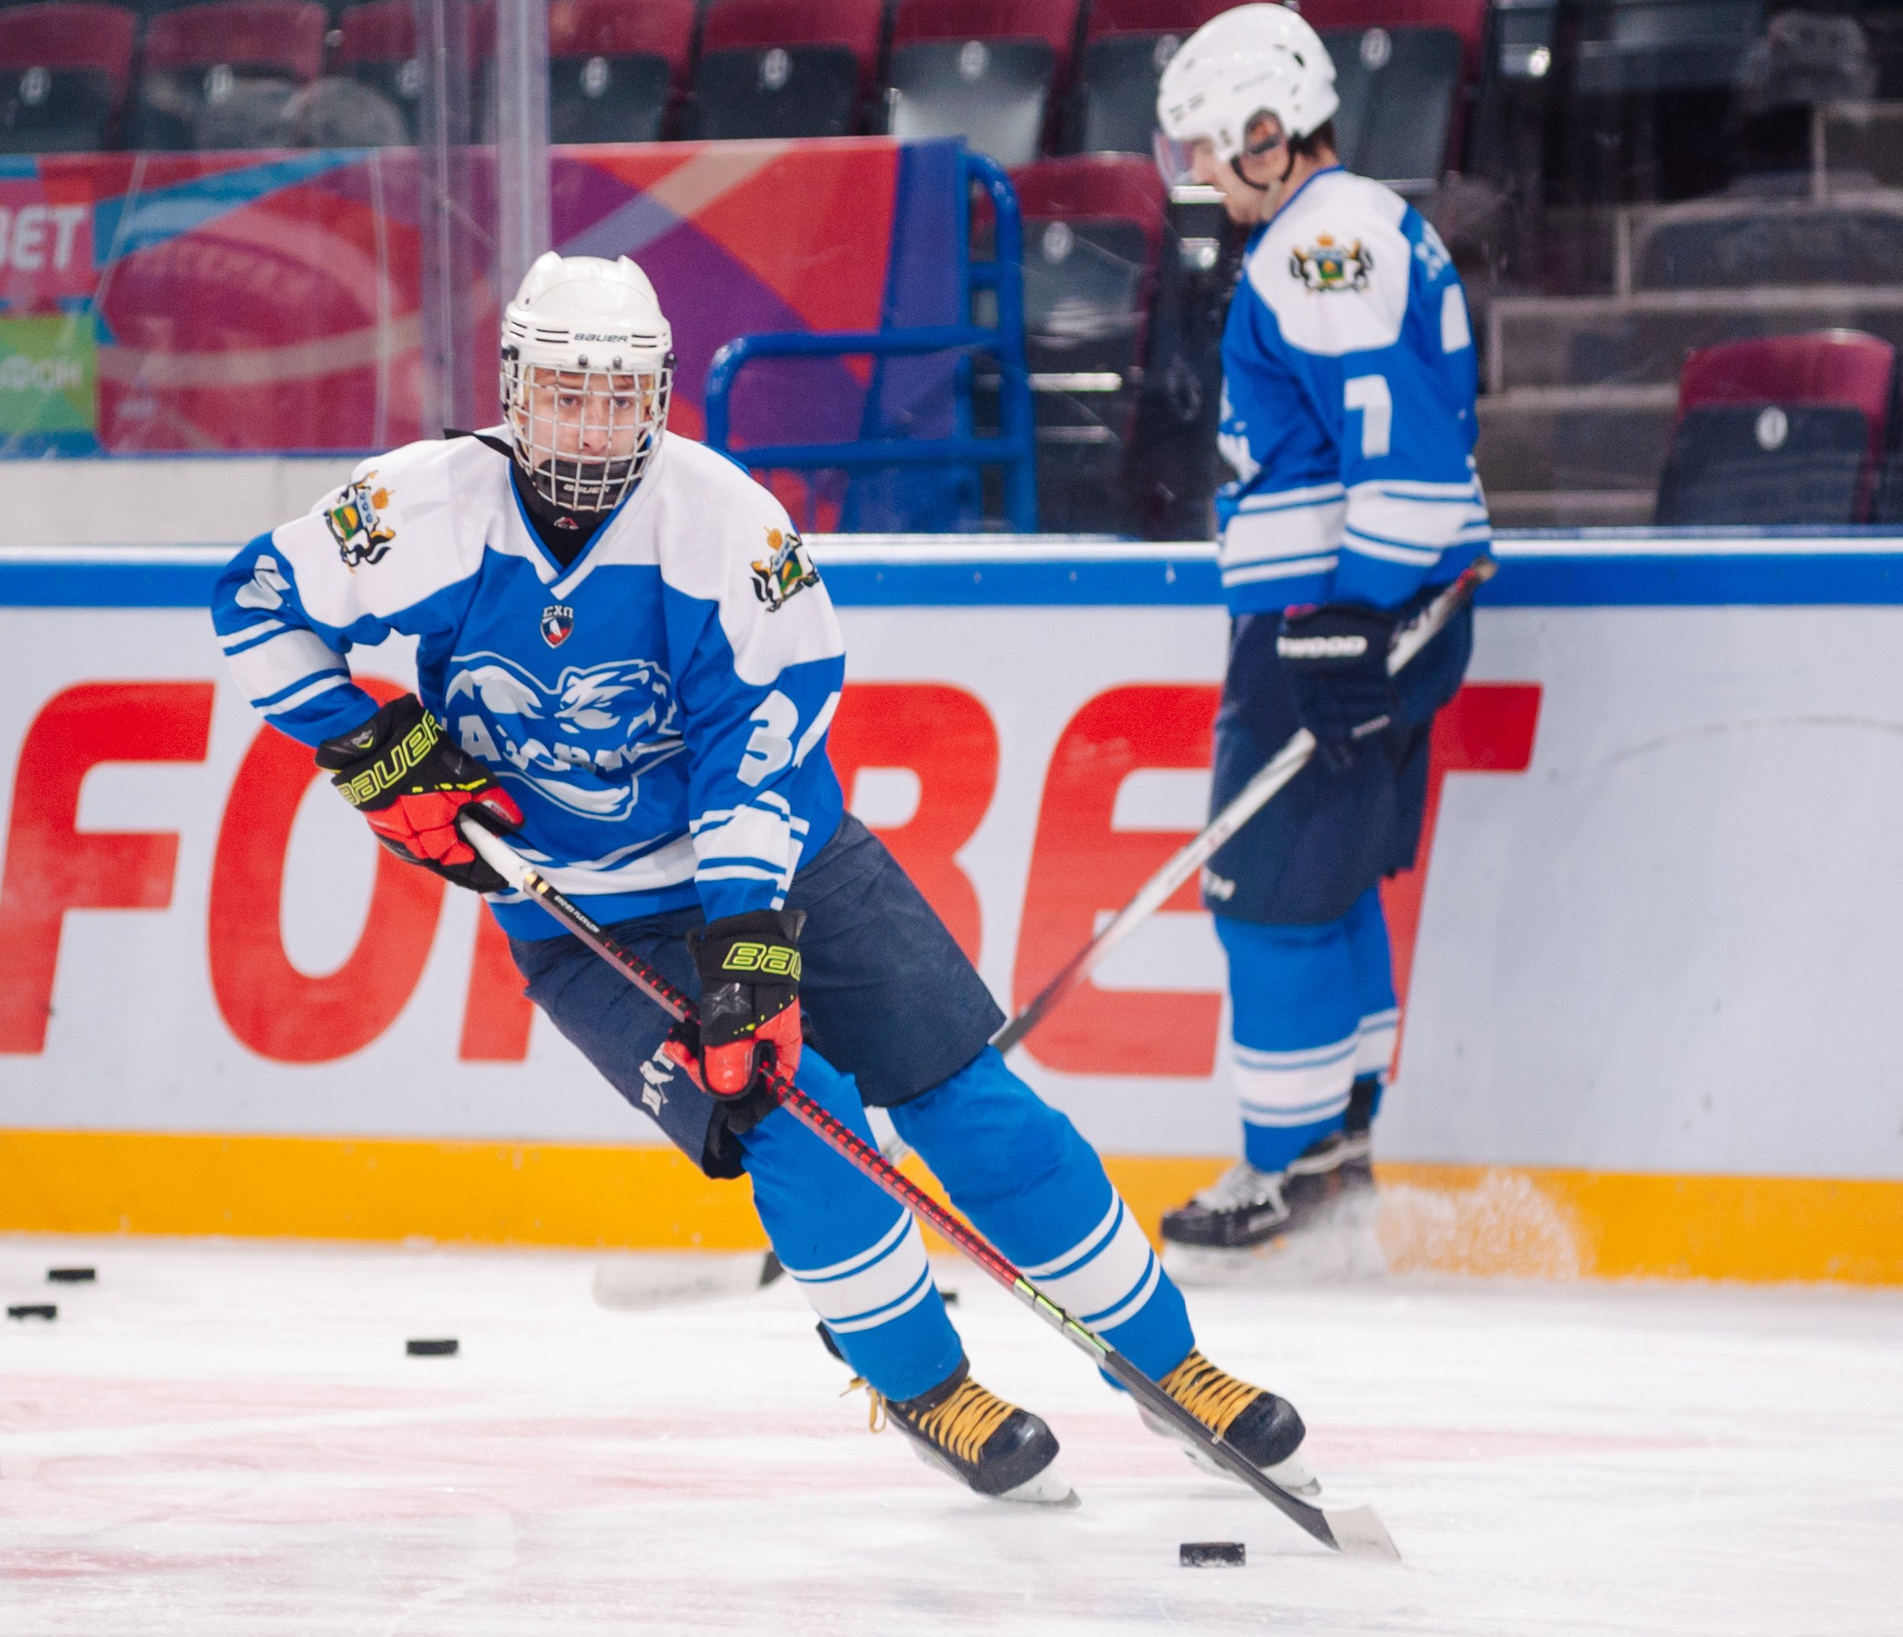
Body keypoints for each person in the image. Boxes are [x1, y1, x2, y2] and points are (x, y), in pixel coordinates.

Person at [212, 253, 1323, 1505]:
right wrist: (371, 749)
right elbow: (253, 600)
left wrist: (746, 943)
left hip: (787, 862)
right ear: (515, 390)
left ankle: (1170, 1360)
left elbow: (761, 752)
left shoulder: (728, 528)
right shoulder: (416, 505)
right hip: (582, 918)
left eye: (621, 396)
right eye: (568, 394)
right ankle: (922, 1382)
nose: (593, 424)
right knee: (788, 1117)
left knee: (971, 1101)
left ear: (662, 397)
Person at [1150, 5, 1489, 1259]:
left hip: (1338, 615)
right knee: (1328, 880)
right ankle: (1339, 1144)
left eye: (1202, 147)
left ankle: (1281, 1166)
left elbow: (1393, 439)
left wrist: (1356, 613)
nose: (1192, 173)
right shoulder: (1352, 226)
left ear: (1265, 130)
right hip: (1362, 609)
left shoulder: (1316, 244)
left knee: (1266, 888)